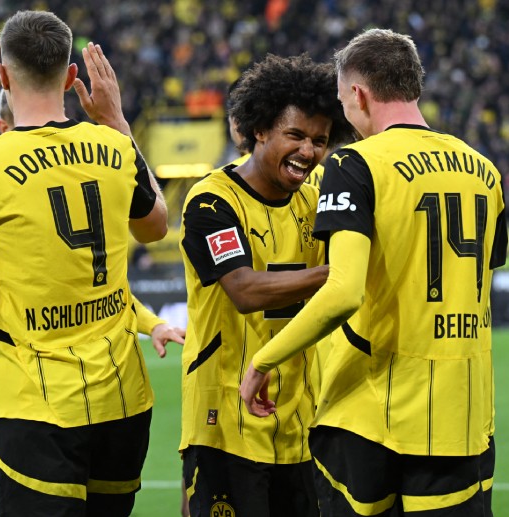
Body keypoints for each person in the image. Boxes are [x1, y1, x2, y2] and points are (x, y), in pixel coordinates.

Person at [240, 28, 507, 516]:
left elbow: (344, 293)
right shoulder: (483, 169)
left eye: (343, 100)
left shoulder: (355, 163)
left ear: (359, 94)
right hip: (463, 412)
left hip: (374, 412)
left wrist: (264, 361)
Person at [0, 10, 168, 516]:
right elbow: (156, 225)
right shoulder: (115, 146)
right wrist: (118, 122)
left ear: (4, 76)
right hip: (124, 403)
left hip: (35, 410)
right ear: (70, 77)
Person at [0, 32, 184, 357]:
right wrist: (117, 123)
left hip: (31, 378)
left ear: (3, 125)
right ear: (69, 77)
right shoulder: (106, 152)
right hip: (117, 378)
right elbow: (100, 284)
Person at [178, 52, 352, 517]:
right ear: (259, 130)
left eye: (319, 140)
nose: (308, 152)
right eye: (295, 135)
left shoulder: (317, 202)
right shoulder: (212, 201)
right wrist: (339, 275)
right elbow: (244, 289)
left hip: (299, 422)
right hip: (225, 420)